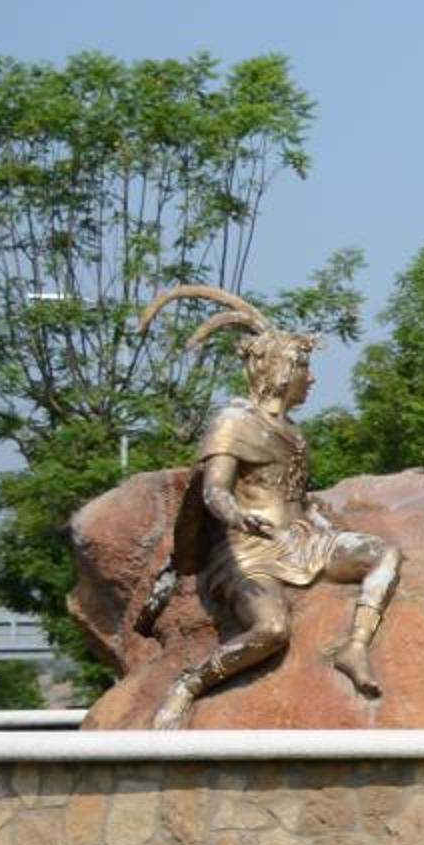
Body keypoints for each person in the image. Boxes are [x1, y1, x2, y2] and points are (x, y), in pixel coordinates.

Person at [139, 286, 401, 729]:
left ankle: (355, 647)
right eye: (304, 368)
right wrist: (236, 516)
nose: (311, 379)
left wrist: (320, 520)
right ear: (281, 370)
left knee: (384, 554)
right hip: (246, 551)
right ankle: (189, 685)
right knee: (272, 630)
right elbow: (214, 490)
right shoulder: (233, 422)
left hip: (302, 541)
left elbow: (294, 494)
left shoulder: (295, 432)